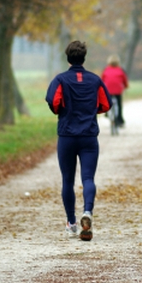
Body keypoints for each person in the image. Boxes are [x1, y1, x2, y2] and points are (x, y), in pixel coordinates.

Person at [45, 40, 112, 241]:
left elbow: (52, 101)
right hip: (89, 136)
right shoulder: (95, 80)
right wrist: (92, 111)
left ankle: (72, 223)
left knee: (67, 180)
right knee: (88, 178)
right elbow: (106, 104)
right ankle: (88, 212)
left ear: (68, 58)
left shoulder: (60, 80)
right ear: (84, 58)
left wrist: (61, 112)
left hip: (67, 135)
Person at [101, 54, 129, 127]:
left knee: (107, 101)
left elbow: (102, 79)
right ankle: (120, 119)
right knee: (119, 104)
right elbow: (124, 80)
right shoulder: (121, 70)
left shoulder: (106, 69)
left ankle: (107, 112)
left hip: (108, 90)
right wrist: (126, 86)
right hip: (118, 90)